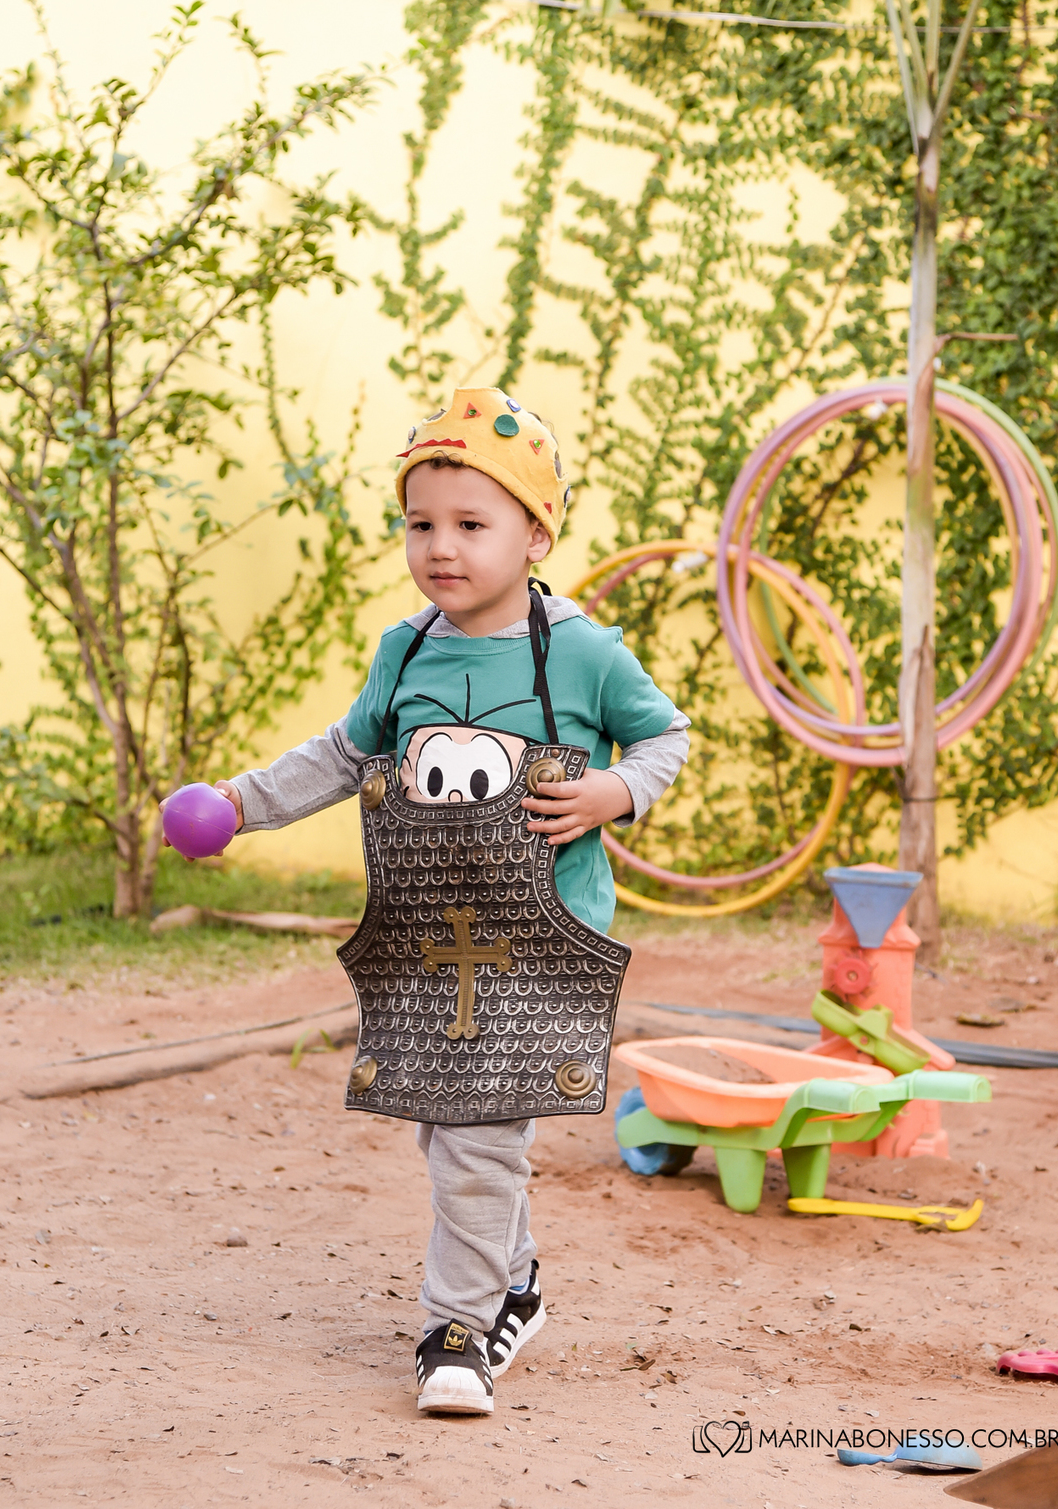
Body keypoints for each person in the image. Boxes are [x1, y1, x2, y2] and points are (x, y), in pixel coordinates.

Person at [205, 388, 688, 1415]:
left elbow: (665, 737)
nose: (441, 547)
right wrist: (241, 803)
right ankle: (517, 1283)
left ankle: (457, 1331)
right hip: (432, 939)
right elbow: (345, 753)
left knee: (477, 1137)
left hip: (545, 944)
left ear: (536, 535)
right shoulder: (407, 649)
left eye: (472, 524)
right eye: (420, 523)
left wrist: (615, 790)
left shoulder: (585, 653)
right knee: (451, 1126)